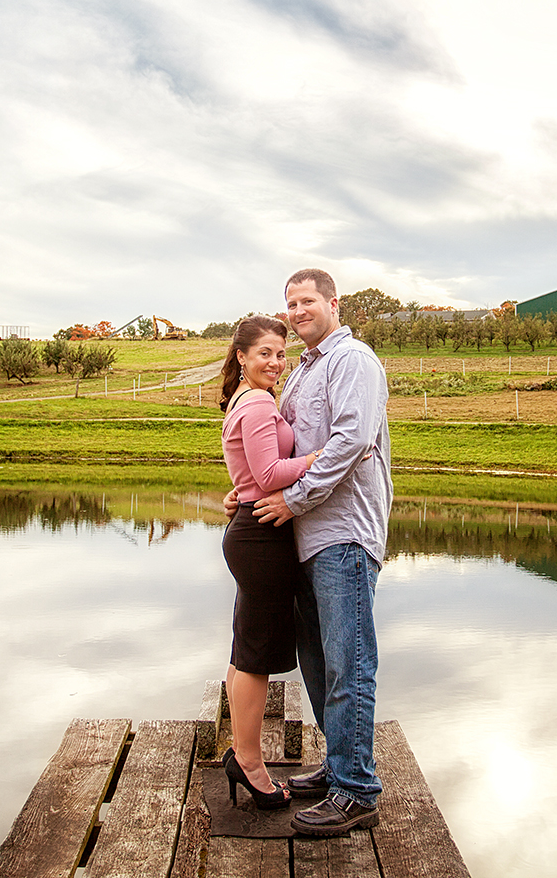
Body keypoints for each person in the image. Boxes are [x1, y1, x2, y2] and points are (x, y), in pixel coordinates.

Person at [238, 268, 392, 837]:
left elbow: (351, 440)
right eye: (290, 302)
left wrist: (295, 497)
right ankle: (338, 767)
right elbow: (287, 447)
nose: (298, 310)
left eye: (307, 301)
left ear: (334, 303)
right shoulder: (305, 369)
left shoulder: (354, 361)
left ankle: (356, 791)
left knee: (349, 661)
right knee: (320, 661)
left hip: (344, 533)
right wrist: (251, 490)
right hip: (307, 536)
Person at [217, 315, 321, 810]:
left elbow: (248, 476)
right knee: (256, 657)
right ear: (241, 356)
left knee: (245, 652)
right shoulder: (257, 403)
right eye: (264, 353)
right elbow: (270, 472)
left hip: (252, 533)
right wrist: (321, 457)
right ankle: (251, 763)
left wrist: (240, 492)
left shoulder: (246, 400)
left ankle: (243, 754)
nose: (275, 363)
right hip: (260, 538)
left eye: (281, 354)